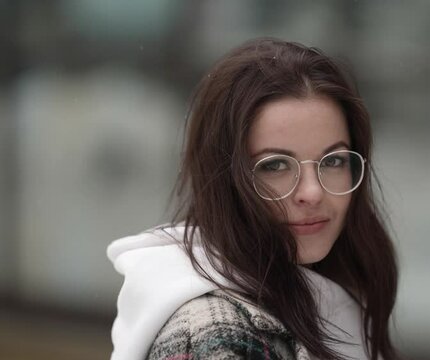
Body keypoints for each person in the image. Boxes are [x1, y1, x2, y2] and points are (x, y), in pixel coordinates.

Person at [107, 38, 399, 360]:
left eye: (332, 161)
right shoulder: (216, 338)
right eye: (274, 165)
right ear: (225, 180)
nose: (312, 193)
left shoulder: (329, 291)